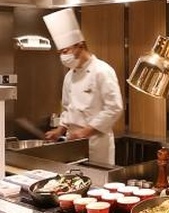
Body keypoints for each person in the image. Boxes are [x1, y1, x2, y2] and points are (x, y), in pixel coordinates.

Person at [42, 8, 124, 165]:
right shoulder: (69, 76)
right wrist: (60, 130)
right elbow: (67, 108)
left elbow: (114, 108)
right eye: (60, 53)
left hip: (96, 143)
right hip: (73, 143)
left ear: (79, 46)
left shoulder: (102, 71)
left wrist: (85, 132)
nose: (63, 56)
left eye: (65, 51)